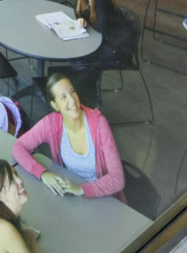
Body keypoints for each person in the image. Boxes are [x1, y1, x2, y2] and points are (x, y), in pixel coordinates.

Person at [11, 72, 125, 201]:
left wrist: (81, 189)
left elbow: (117, 179)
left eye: (72, 92)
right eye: (63, 97)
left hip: (102, 198)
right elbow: (18, 147)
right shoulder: (51, 124)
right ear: (55, 105)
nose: (72, 100)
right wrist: (42, 174)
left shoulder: (99, 124)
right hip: (70, 195)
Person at [74, 0, 138, 70]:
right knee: (76, 57)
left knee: (79, 60)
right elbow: (77, 10)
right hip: (105, 42)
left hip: (116, 50)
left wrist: (86, 24)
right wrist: (80, 18)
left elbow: (100, 28)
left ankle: (85, 85)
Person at [0, 157, 42, 253]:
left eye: (16, 174)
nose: (20, 181)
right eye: (12, 180)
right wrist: (31, 239)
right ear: (0, 196)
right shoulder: (3, 229)